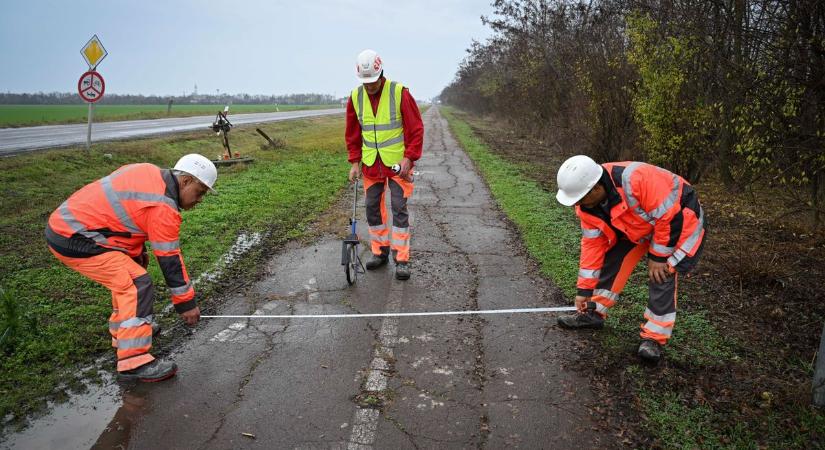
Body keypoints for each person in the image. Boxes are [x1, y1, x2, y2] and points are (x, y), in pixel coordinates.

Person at [45, 154, 217, 381]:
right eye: (200, 192)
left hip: (70, 228)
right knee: (136, 283)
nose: (200, 200)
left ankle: (126, 332)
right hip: (76, 238)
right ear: (185, 181)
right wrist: (186, 304)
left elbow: (124, 215)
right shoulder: (163, 206)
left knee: (129, 273)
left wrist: (135, 253)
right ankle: (134, 361)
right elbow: (170, 261)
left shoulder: (147, 171)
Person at [554, 155, 705, 362]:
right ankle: (593, 313)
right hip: (640, 224)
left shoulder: (637, 180)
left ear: (596, 189)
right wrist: (584, 291)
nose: (578, 205)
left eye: (580, 199)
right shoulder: (587, 207)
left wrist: (659, 257)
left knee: (662, 275)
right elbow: (592, 247)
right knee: (613, 260)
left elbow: (669, 216)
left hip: (680, 219)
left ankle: (654, 338)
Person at [345, 49, 424, 280]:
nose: (369, 86)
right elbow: (352, 133)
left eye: (373, 81)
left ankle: (401, 259)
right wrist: (354, 162)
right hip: (371, 164)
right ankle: (380, 252)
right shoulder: (356, 97)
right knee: (371, 207)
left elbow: (415, 129)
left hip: (397, 164)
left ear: (381, 73)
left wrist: (409, 158)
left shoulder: (399, 93)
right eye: (365, 82)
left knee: (399, 208)